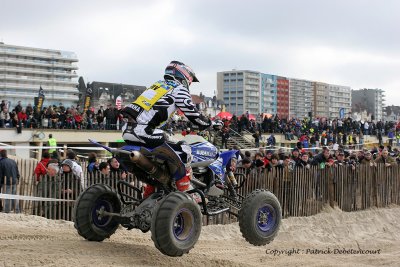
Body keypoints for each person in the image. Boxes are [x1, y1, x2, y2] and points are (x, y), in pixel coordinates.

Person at [121, 61, 211, 194]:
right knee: (184, 149)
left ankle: (150, 192)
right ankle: (187, 192)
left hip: (127, 131)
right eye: (190, 80)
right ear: (185, 75)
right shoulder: (178, 88)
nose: (189, 84)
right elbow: (195, 116)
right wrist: (210, 123)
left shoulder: (157, 86)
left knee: (161, 158)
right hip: (143, 131)